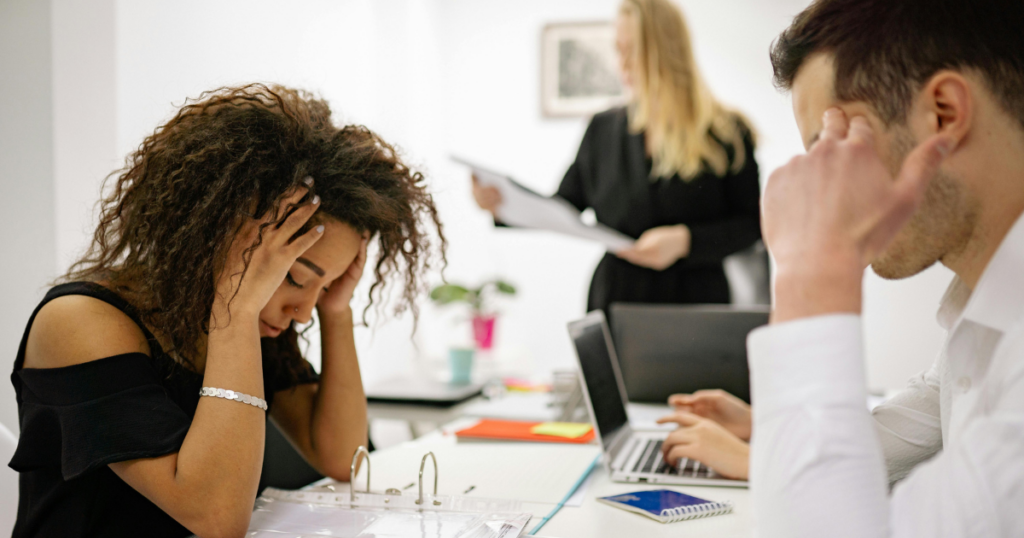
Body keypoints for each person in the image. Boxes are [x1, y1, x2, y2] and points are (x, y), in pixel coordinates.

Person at [8, 84, 445, 538]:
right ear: (221, 232)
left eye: (328, 285)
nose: (301, 313)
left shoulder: (258, 325)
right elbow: (217, 518)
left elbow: (339, 457)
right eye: (295, 277)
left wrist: (337, 310)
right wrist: (235, 312)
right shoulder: (82, 323)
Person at [746, 0, 1024, 535]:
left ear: (943, 113)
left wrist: (811, 271)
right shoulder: (985, 299)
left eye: (834, 146)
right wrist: (773, 432)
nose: (826, 179)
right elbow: (935, 406)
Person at [472, 0, 761, 315]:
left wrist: (684, 240)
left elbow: (752, 225)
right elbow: (564, 207)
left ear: (666, 50)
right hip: (616, 301)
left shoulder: (727, 132)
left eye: (632, 51)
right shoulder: (602, 129)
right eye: (618, 50)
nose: (621, 64)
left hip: (696, 305)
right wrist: (503, 204)